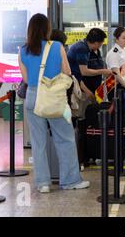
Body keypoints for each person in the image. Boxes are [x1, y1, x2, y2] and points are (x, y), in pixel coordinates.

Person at [18, 14, 89, 193]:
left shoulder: (23, 50)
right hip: (54, 98)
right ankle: (70, 181)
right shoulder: (57, 46)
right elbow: (66, 72)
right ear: (47, 29)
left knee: (38, 142)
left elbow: (26, 79)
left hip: (33, 98)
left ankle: (43, 183)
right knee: (65, 139)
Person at [67, 28, 112, 103]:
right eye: (100, 44)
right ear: (96, 43)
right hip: (78, 87)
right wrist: (103, 71)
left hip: (85, 86)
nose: (100, 47)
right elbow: (83, 72)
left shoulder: (89, 49)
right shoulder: (82, 49)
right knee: (81, 112)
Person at [106, 27, 125, 92]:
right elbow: (116, 75)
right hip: (117, 87)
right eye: (123, 38)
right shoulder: (114, 53)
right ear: (116, 39)